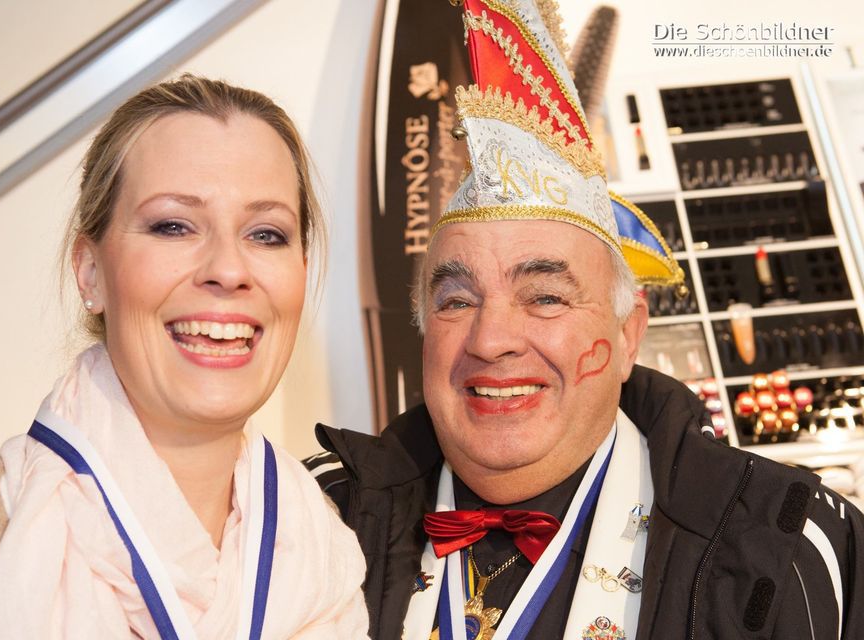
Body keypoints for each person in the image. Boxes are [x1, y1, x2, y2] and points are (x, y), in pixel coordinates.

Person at [305, 1, 864, 638]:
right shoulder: (318, 515)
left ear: (628, 335)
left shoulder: (797, 547)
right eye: (456, 301)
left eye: (545, 297)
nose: (491, 340)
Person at [0, 74, 369, 639]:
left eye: (266, 234)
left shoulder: (332, 556)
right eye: (173, 226)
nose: (228, 269)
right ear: (90, 272)